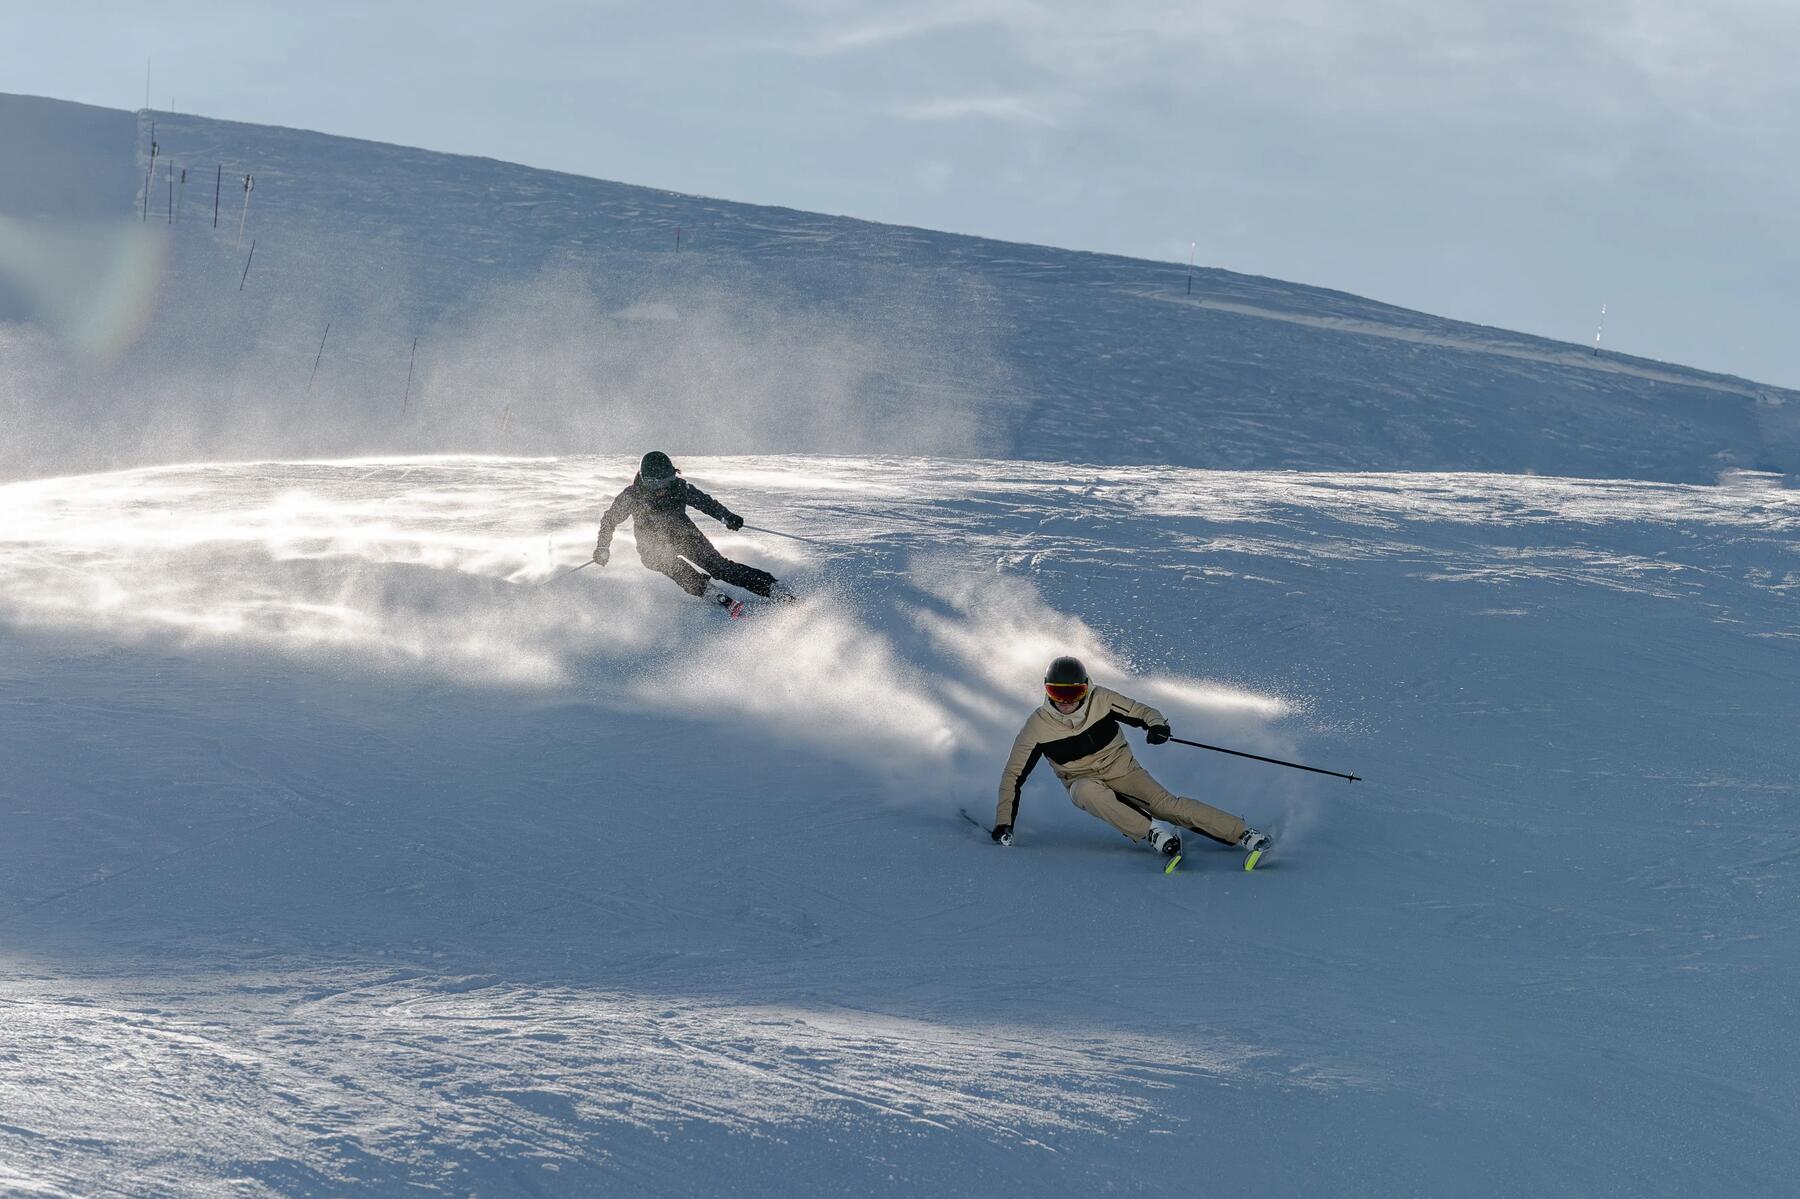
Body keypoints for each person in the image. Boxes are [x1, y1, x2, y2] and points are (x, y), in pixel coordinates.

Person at [992, 656, 1272, 865]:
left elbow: (1142, 711)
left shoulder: (1101, 699)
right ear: (1047, 692)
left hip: (1122, 769)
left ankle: (1242, 833)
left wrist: (1157, 726)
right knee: (1085, 791)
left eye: (1073, 693)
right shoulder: (1037, 726)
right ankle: (1151, 833)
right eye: (1057, 693)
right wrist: (1004, 822)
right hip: (1081, 779)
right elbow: (1013, 775)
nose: (1066, 702)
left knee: (1167, 806)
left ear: (1085, 689)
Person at [593, 451, 795, 613]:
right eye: (656, 483)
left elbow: (706, 504)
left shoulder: (679, 488)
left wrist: (727, 517)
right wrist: (603, 546)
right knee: (667, 563)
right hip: (651, 544)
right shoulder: (631, 496)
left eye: (667, 480)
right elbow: (609, 520)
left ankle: (772, 588)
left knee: (720, 567)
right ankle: (705, 589)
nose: (662, 488)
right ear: (645, 480)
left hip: (685, 535)